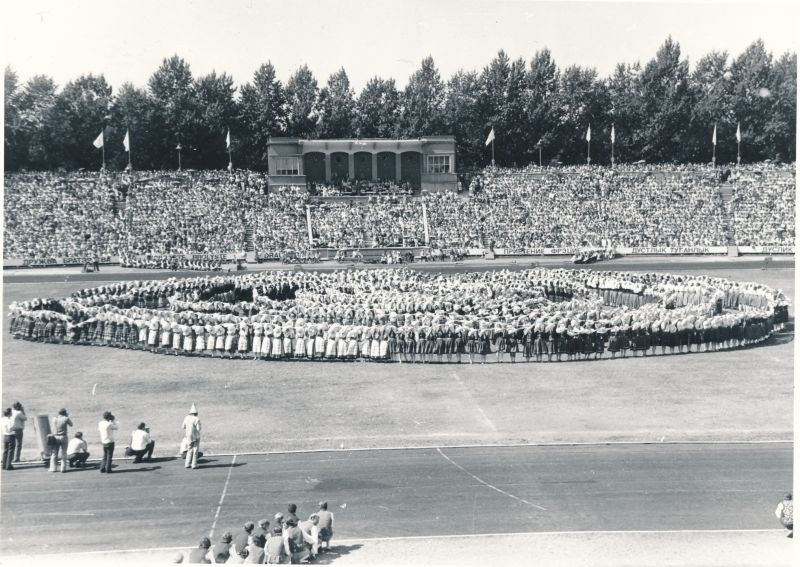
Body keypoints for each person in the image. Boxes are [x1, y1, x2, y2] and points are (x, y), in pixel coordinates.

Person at [51, 408, 73, 473]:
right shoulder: (66, 418)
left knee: (54, 453)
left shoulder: (54, 419)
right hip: (63, 436)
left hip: (55, 436)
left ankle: (53, 468)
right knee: (64, 452)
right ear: (65, 413)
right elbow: (71, 424)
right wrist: (67, 416)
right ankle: (63, 468)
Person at [183, 403, 202, 469]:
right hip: (195, 436)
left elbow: (183, 427)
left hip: (188, 436)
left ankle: (187, 464)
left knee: (189, 450)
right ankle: (194, 464)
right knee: (195, 450)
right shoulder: (197, 419)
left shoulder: (186, 418)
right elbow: (199, 429)